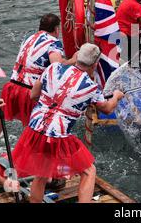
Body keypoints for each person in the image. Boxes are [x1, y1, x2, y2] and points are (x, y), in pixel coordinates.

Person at [11, 43, 124, 203]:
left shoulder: (53, 68)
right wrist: (117, 96)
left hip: (34, 128)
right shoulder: (91, 87)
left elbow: (33, 95)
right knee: (88, 171)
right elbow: (107, 108)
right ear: (95, 64)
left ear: (77, 56)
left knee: (42, 174)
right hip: (57, 134)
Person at [0, 13, 77, 168]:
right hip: (29, 91)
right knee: (35, 126)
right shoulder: (54, 43)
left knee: (0, 114)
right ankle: (26, 160)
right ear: (56, 29)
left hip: (12, 85)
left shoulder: (29, 38)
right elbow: (57, 66)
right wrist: (73, 60)